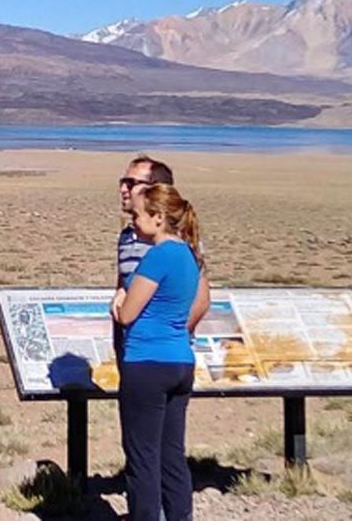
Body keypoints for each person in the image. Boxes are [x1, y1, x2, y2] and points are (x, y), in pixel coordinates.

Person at [112, 184, 205, 521]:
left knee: (142, 457)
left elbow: (128, 314)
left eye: (137, 215)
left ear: (159, 217)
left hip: (147, 363)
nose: (133, 221)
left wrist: (119, 301)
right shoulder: (189, 255)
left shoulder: (159, 255)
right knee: (171, 455)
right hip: (180, 360)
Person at [114, 156, 210, 360]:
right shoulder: (127, 236)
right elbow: (125, 288)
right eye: (122, 182)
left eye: (131, 183)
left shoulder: (178, 241)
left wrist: (169, 336)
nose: (123, 189)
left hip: (161, 353)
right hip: (132, 351)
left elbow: (200, 300)